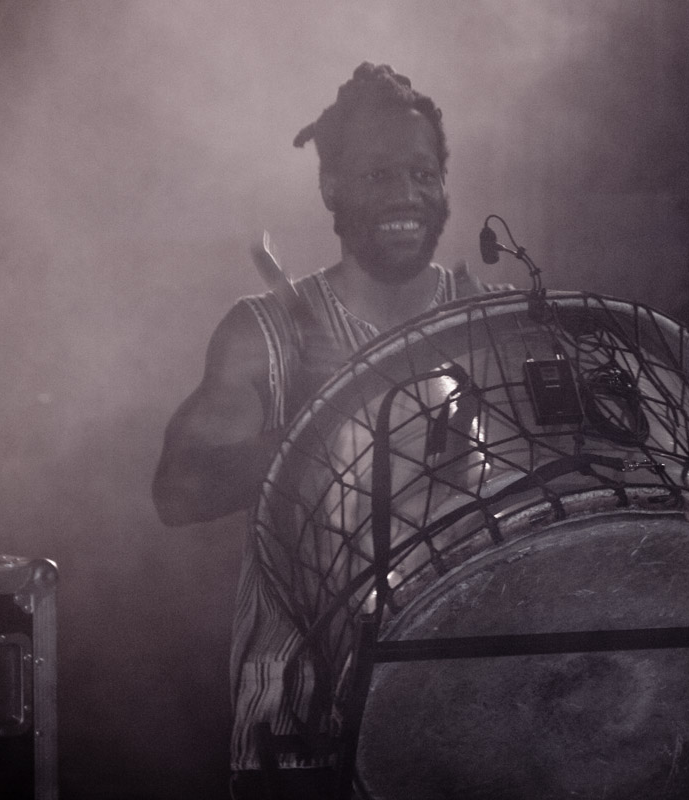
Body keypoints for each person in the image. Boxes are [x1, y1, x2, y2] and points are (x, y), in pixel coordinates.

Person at [152, 63, 507, 798]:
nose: (406, 194)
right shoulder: (265, 334)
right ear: (331, 188)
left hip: (460, 714)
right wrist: (315, 427)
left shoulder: (487, 321)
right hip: (302, 731)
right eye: (378, 175)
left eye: (423, 173)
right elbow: (176, 494)